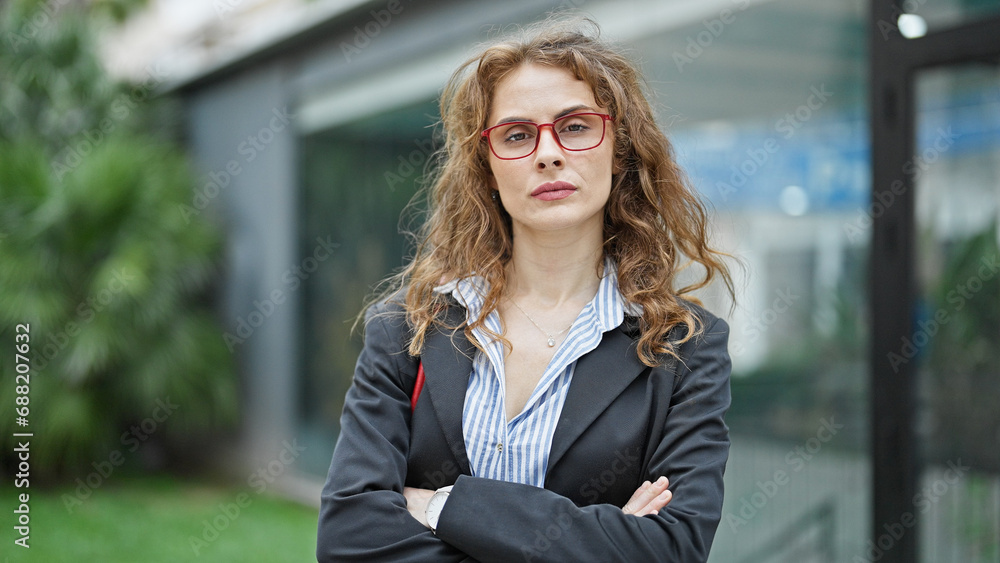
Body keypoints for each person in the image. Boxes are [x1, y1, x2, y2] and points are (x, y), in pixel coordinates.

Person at [317, 17, 735, 563]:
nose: (548, 153)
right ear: (487, 167)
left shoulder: (685, 346)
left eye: (576, 126)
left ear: (621, 151)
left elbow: (671, 549)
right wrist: (598, 542)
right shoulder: (406, 326)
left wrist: (444, 507)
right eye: (517, 135)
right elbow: (348, 538)